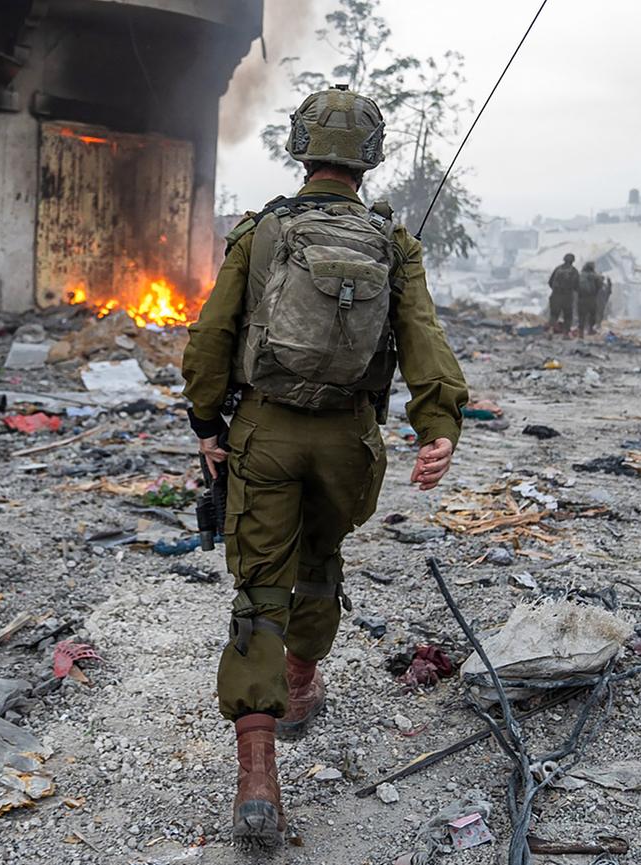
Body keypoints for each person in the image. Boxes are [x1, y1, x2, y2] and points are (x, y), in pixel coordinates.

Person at [181, 85, 469, 849]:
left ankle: (257, 782)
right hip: (349, 439)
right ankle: (303, 685)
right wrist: (437, 424)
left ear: (300, 148)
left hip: (265, 433)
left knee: (258, 591)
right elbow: (424, 340)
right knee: (321, 562)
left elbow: (212, 336)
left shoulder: (262, 232)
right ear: (370, 158)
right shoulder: (393, 243)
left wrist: (207, 421)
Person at [547, 253, 578, 335]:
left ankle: (550, 330)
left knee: (554, 315)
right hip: (567, 297)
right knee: (568, 316)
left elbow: (550, 282)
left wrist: (555, 291)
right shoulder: (574, 271)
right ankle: (565, 334)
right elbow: (576, 285)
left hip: (555, 295)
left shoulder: (558, 269)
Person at [576, 261, 602, 337]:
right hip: (591, 298)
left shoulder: (580, 275)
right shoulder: (595, 276)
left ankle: (581, 331)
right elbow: (599, 285)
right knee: (592, 314)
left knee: (581, 315)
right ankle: (590, 329)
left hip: (581, 298)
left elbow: (575, 285)